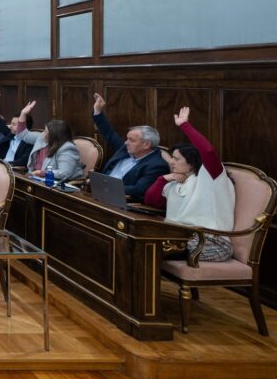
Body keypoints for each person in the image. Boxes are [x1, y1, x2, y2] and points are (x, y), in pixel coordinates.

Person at [144, 107, 235, 262]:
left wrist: (184, 125)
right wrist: (163, 179)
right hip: (178, 238)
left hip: (211, 242)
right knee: (136, 244)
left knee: (148, 250)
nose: (172, 162)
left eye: (176, 159)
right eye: (171, 158)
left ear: (192, 163)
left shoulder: (211, 177)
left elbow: (208, 151)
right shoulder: (175, 182)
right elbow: (150, 201)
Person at [92, 93, 169, 202]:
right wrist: (97, 111)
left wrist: (105, 186)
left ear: (146, 145)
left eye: (131, 140)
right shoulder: (125, 148)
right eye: (127, 139)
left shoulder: (157, 165)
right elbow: (109, 133)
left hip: (120, 202)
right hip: (99, 195)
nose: (126, 143)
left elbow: (139, 190)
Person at [15, 101, 84, 181]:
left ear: (56, 136)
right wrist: (23, 113)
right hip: (35, 178)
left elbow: (64, 173)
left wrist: (42, 173)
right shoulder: (42, 138)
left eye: (47, 134)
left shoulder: (67, 148)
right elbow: (23, 134)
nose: (44, 135)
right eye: (45, 131)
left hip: (54, 182)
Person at [0, 92, 35, 165]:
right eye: (11, 123)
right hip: (1, 164)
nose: (10, 126)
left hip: (13, 168)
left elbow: (23, 161)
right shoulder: (11, 134)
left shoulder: (29, 142)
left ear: (23, 126)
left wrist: (5, 164)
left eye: (14, 124)